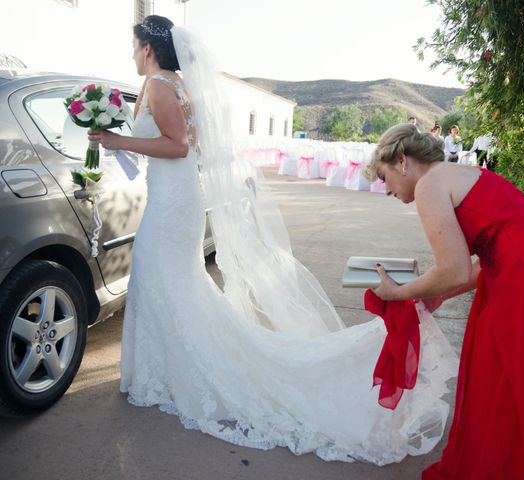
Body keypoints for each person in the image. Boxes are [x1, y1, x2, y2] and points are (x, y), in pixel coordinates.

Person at [87, 16, 457, 465]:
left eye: (134, 45)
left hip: (172, 201)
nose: (131, 52)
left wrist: (118, 140)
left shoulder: (164, 86)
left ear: (148, 48)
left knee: (160, 275)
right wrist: (119, 141)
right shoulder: (175, 86)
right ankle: (161, 368)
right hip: (174, 194)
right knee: (174, 282)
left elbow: (181, 145)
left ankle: (168, 371)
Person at [364, 123, 524, 479]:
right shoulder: (465, 173)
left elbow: (455, 269)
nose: (385, 190)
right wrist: (438, 294)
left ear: (402, 162)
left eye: (384, 178)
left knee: (506, 387)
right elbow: (493, 254)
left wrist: (399, 292)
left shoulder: (431, 184)